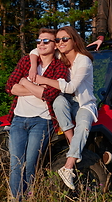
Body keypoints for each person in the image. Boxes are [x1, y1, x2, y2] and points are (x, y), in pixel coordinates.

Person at [31, 26, 98, 190]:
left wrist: (44, 80)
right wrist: (33, 66)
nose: (60, 42)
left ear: (74, 41)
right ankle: (72, 143)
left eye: (64, 39)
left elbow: (70, 87)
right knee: (58, 102)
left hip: (83, 103)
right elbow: (35, 50)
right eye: (58, 40)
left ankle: (68, 167)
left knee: (83, 125)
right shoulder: (60, 55)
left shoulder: (84, 60)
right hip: (66, 101)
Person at [5, 28, 68, 200]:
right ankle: (16, 198)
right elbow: (10, 87)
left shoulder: (59, 68)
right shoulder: (27, 61)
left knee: (30, 164)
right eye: (39, 41)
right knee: (15, 164)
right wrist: (37, 89)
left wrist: (24, 82)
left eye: (46, 41)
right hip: (18, 119)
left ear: (55, 45)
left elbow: (49, 94)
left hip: (42, 121)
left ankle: (29, 197)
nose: (41, 44)